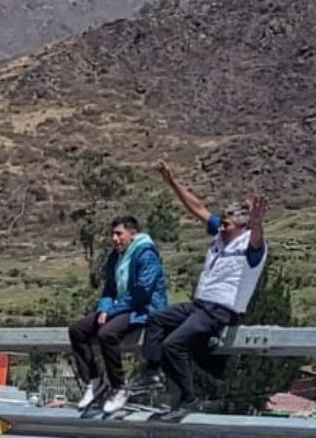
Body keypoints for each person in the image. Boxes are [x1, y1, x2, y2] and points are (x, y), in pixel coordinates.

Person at [133, 161, 268, 421]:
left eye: (226, 225)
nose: (220, 228)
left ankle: (188, 399)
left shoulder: (251, 246)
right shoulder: (221, 235)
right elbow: (198, 208)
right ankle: (151, 371)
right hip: (199, 305)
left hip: (220, 310)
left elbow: (257, 238)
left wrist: (257, 221)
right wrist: (172, 182)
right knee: (157, 319)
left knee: (174, 344)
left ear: (242, 226)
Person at [69, 216, 168, 414]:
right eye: (112, 234)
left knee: (107, 333)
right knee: (77, 330)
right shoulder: (116, 256)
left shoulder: (147, 255)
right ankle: (94, 381)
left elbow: (142, 292)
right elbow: (109, 289)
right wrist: (105, 308)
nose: (114, 238)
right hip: (122, 306)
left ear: (133, 233)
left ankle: (119, 387)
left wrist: (112, 309)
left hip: (143, 308)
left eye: (119, 234)